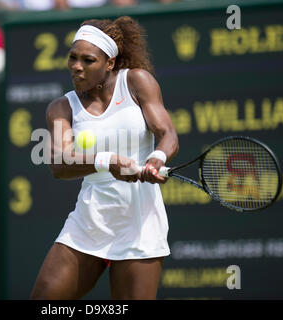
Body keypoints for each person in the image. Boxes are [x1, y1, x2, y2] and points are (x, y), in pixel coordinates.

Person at [30, 16, 179, 300]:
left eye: (88, 60)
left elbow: (168, 133)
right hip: (88, 224)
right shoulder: (61, 107)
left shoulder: (137, 81)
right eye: (73, 57)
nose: (76, 66)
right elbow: (59, 164)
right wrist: (108, 161)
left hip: (140, 227)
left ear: (109, 62)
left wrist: (157, 158)